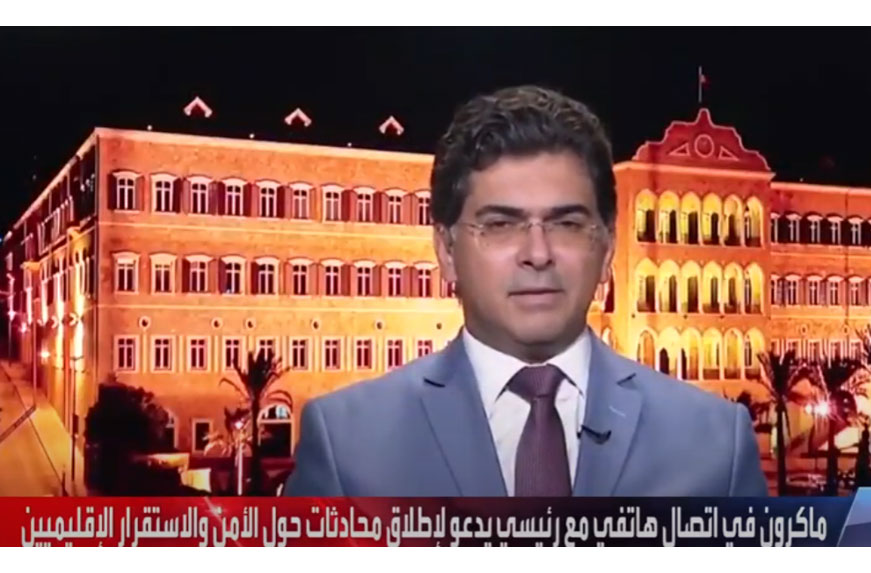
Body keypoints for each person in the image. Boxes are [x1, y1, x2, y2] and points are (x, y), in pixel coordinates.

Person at [285, 85, 767, 497]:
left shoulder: (716, 445)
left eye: (567, 223)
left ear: (607, 247)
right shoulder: (346, 445)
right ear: (446, 250)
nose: (538, 253)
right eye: (500, 224)